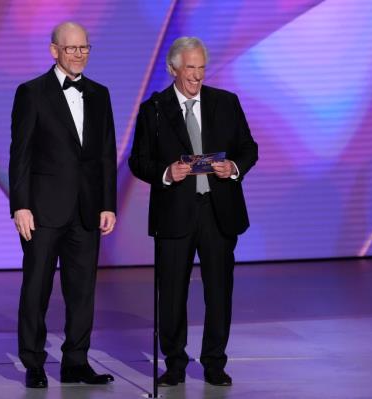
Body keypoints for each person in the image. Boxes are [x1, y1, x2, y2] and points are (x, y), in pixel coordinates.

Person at [128, 36, 258, 387]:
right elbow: (138, 161)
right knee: (171, 292)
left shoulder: (226, 103)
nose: (197, 75)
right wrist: (167, 173)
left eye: (201, 68)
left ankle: (214, 362)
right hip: (174, 212)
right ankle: (174, 363)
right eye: (190, 68)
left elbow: (249, 148)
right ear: (172, 69)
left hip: (218, 212)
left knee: (219, 291)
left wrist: (232, 166)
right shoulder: (153, 110)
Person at [9, 21, 117, 388]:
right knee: (36, 287)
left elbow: (105, 154)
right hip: (42, 210)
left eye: (84, 48)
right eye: (72, 49)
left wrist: (108, 203)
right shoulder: (32, 93)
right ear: (54, 50)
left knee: (82, 289)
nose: (79, 55)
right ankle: (34, 363)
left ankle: (75, 362)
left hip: (86, 210)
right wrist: (20, 205)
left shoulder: (100, 94)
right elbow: (20, 154)